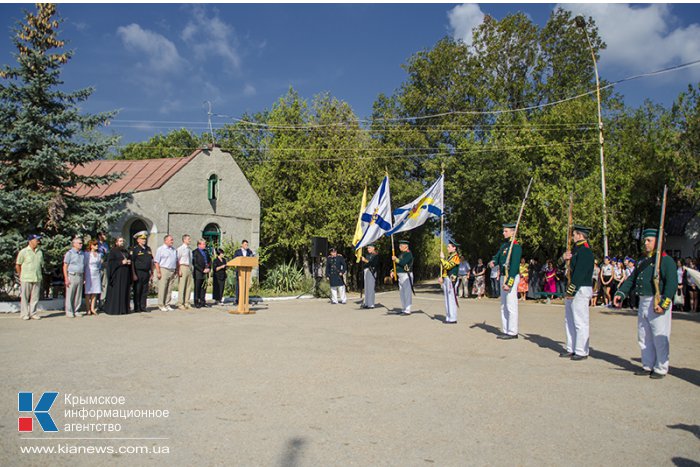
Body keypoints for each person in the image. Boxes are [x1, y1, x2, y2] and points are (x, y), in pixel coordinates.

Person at [614, 228, 678, 379]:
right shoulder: (643, 261)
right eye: (645, 240)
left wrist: (664, 303)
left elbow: (671, 284)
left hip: (657, 299)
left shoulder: (666, 261)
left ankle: (661, 367)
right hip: (643, 300)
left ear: (659, 242)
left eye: (649, 240)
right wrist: (620, 293)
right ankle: (647, 364)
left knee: (659, 335)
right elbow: (632, 279)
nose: (646, 243)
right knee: (644, 335)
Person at [560, 225, 595, 361]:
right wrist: (564, 258)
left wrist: (571, 289)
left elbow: (580, 273)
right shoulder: (575, 251)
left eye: (574, 234)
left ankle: (581, 350)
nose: (572, 237)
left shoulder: (585, 251)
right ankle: (571, 347)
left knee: (580, 321)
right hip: (573, 288)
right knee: (569, 320)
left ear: (580, 235)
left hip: (580, 288)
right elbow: (562, 267)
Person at [488, 222, 522, 339]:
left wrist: (509, 283)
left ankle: (513, 331)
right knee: (503, 305)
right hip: (503, 276)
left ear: (513, 232)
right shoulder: (504, 246)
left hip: (510, 277)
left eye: (506, 231)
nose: (503, 233)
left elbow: (514, 267)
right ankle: (506, 329)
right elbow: (497, 257)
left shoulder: (516, 247)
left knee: (511, 305)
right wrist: (493, 262)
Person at [15, 234, 44, 320]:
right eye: (36, 240)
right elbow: (18, 265)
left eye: (38, 240)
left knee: (35, 297)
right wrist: (20, 275)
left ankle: (33, 313)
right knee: (25, 297)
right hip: (26, 277)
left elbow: (41, 264)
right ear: (30, 241)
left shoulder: (40, 252)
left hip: (37, 277)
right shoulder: (23, 252)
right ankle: (24, 314)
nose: (38, 241)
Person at [104, 237, 131, 315]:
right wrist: (121, 262)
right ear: (116, 243)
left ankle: (124, 309)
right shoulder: (113, 251)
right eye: (120, 241)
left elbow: (128, 258)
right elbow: (110, 263)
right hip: (117, 275)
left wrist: (128, 262)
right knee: (117, 291)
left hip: (125, 274)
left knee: (124, 291)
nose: (122, 242)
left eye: (123, 241)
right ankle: (115, 309)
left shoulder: (125, 251)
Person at [130, 231, 153, 312]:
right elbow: (132, 262)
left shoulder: (148, 249)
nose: (144, 240)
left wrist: (151, 273)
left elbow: (150, 261)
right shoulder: (135, 249)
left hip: (146, 272)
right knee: (138, 290)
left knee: (144, 290)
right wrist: (133, 274)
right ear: (138, 240)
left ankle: (143, 306)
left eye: (145, 239)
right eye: (142, 239)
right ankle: (137, 307)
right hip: (138, 272)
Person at [154, 234, 177, 312]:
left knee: (169, 288)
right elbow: (156, 261)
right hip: (164, 269)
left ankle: (167, 304)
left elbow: (176, 261)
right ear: (165, 240)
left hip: (172, 270)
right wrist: (158, 272)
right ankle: (161, 304)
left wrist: (176, 270)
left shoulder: (173, 250)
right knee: (163, 288)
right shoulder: (160, 249)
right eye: (171, 240)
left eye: (172, 240)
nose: (172, 241)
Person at [63, 237, 85, 318]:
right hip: (72, 275)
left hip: (80, 275)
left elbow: (84, 265)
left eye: (81, 243)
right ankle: (69, 311)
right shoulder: (70, 253)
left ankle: (76, 310)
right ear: (74, 244)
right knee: (70, 294)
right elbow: (65, 266)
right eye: (79, 243)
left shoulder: (82, 253)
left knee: (78, 295)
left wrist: (84, 277)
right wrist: (66, 278)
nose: (81, 244)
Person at [439, 241, 460, 324]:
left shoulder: (455, 257)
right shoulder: (450, 256)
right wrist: (442, 277)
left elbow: (448, 266)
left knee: (451, 299)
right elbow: (445, 269)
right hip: (447, 279)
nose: (447, 248)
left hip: (452, 280)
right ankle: (448, 316)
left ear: (454, 248)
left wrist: (442, 258)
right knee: (447, 299)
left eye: (449, 246)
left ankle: (453, 318)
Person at [392, 239, 414, 315]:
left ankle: (408, 309)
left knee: (407, 292)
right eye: (399, 245)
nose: (399, 247)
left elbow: (403, 263)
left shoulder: (408, 254)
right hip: (400, 275)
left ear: (406, 247)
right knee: (402, 292)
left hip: (406, 275)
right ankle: (404, 308)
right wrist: (392, 271)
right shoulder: (401, 254)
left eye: (401, 245)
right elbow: (397, 265)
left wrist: (396, 259)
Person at [83, 239, 103, 316]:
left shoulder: (99, 254)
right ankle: (88, 309)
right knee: (88, 291)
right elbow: (85, 265)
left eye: (97, 245)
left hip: (96, 273)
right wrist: (84, 276)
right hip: (89, 273)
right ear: (91, 246)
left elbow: (99, 265)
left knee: (95, 291)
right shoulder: (87, 254)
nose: (96, 246)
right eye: (95, 245)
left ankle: (92, 308)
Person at [232, 239, 254, 305]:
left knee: (245, 286)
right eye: (245, 244)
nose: (246, 246)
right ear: (242, 245)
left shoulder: (249, 252)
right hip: (239, 271)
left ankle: (245, 299)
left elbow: (251, 259)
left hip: (247, 272)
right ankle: (237, 299)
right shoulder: (237, 252)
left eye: (247, 245)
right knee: (238, 286)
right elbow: (235, 259)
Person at [192, 238, 211, 308]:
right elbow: (195, 263)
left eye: (205, 244)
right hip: (198, 273)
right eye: (203, 244)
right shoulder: (195, 252)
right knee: (197, 287)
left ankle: (203, 301)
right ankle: (196, 302)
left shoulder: (206, 252)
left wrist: (209, 268)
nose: (205, 245)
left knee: (204, 288)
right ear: (199, 245)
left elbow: (209, 260)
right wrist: (202, 270)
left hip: (206, 272)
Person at [176, 234, 194, 309]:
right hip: (183, 266)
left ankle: (187, 302)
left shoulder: (189, 249)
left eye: (190, 239)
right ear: (184, 240)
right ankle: (180, 303)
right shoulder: (180, 249)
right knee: (182, 285)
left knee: (188, 286)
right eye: (188, 239)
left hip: (189, 267)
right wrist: (179, 270)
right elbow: (177, 260)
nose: (190, 240)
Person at [360, 244, 379, 309]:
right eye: (368, 248)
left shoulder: (375, 255)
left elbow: (373, 263)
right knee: (366, 287)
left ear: (373, 248)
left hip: (372, 271)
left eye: (369, 248)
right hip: (366, 271)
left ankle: (371, 304)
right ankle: (366, 303)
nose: (368, 249)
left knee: (370, 287)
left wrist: (365, 260)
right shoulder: (367, 255)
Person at [96, 231, 110, 310]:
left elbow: (107, 254)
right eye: (104, 235)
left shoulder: (105, 245)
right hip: (98, 267)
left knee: (104, 284)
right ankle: (96, 303)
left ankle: (102, 302)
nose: (105, 236)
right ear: (99, 236)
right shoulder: (96, 244)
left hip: (105, 266)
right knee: (97, 284)